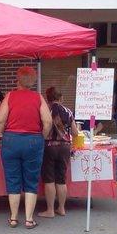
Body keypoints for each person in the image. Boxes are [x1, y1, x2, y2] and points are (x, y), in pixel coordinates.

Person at [0, 66, 52, 229]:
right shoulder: (38, 97)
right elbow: (47, 122)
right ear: (33, 81)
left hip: (11, 140)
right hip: (33, 140)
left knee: (12, 178)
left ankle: (13, 218)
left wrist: (2, 132)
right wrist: (42, 136)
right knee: (31, 179)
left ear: (17, 80)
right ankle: (28, 219)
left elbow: (0, 120)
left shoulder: (10, 96)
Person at [38, 87, 78, 218]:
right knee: (61, 179)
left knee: (49, 179)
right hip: (65, 147)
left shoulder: (45, 111)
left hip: (49, 147)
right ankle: (61, 208)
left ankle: (50, 210)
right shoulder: (68, 111)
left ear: (47, 98)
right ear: (61, 98)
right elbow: (75, 133)